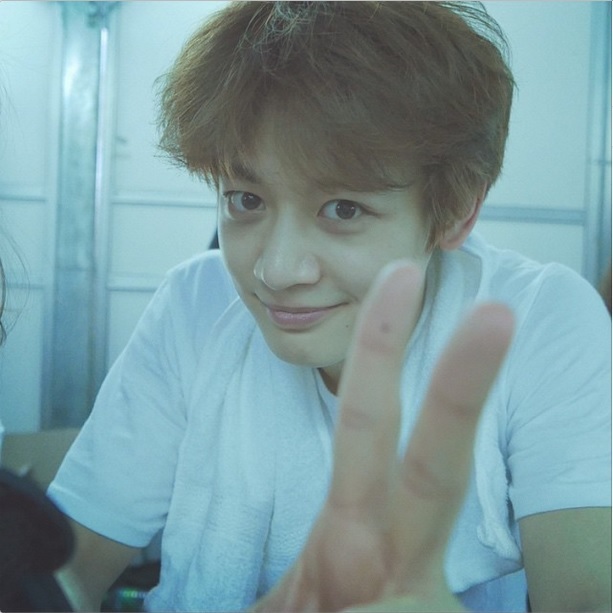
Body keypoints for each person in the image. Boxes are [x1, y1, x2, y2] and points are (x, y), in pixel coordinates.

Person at [48, 2, 611, 612]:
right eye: (245, 199)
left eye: (343, 209)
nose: (276, 270)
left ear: (455, 211)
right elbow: (66, 569)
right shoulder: (195, 307)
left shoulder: (538, 321)